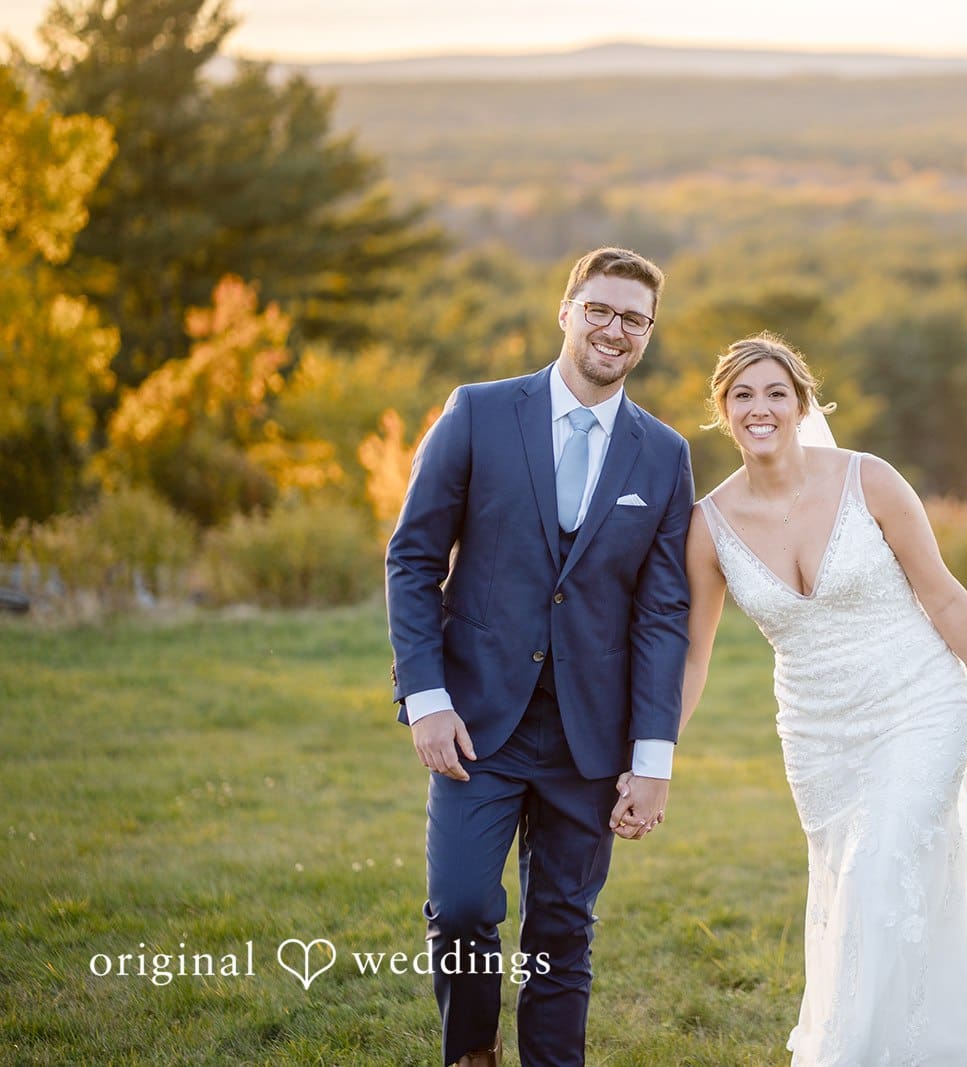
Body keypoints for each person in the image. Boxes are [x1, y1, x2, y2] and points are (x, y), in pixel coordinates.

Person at [643, 331, 967, 1064]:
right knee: (864, 891)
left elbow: (946, 597)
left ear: (802, 405)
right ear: (722, 411)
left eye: (775, 393)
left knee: (879, 870)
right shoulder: (708, 526)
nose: (759, 408)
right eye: (742, 395)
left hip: (919, 702)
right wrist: (653, 758)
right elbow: (693, 656)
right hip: (819, 735)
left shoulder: (872, 481)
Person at [386, 247, 693, 1067]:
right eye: (599, 308)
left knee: (562, 926)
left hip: (591, 737)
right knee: (458, 906)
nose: (613, 328)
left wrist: (653, 756)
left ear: (648, 335)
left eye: (633, 318)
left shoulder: (663, 455)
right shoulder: (479, 413)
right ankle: (471, 1054)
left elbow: (665, 613)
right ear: (565, 311)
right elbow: (413, 558)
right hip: (476, 722)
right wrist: (425, 697)